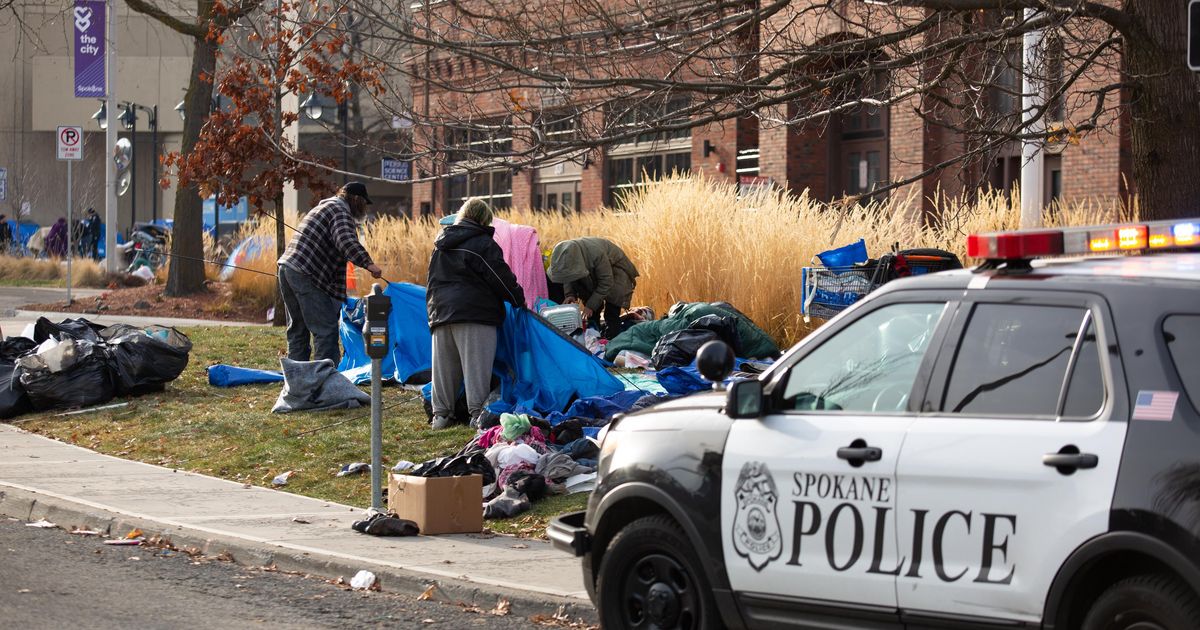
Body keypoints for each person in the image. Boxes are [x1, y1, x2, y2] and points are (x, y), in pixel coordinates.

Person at [426, 198, 525, 430]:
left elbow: (431, 282)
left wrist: (433, 312)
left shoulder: (439, 245)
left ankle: (440, 417)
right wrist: (518, 299)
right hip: (475, 313)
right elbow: (500, 277)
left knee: (443, 370)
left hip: (440, 313)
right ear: (484, 219)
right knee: (476, 367)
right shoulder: (482, 243)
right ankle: (476, 414)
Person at [277, 182, 383, 364]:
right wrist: (369, 264)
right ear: (356, 199)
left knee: (298, 331)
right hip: (305, 274)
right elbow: (346, 241)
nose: (364, 208)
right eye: (364, 203)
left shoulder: (326, 206)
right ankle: (325, 382)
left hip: (287, 269)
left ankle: (296, 381)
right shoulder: (341, 211)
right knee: (326, 331)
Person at [547, 237, 639, 340]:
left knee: (611, 312)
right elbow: (568, 275)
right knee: (592, 315)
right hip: (591, 272)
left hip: (614, 270)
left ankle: (613, 341)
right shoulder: (567, 256)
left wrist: (591, 305)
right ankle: (595, 338)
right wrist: (570, 295)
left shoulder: (596, 254)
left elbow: (606, 281)